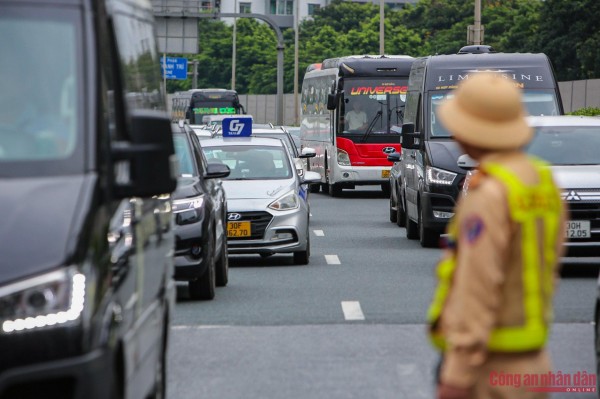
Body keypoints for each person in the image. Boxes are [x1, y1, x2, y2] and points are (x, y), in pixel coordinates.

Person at [427, 73, 566, 399]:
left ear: (469, 132)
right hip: (534, 360)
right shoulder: (541, 181)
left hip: (488, 369)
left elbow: (477, 285)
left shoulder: (488, 193)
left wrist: (458, 373)